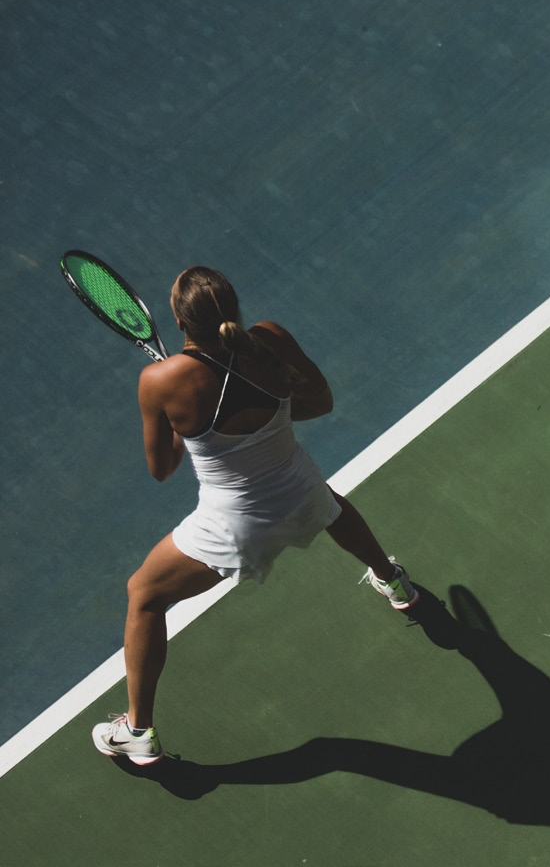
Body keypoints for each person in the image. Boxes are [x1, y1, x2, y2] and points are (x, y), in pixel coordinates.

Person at [91, 266, 417, 766]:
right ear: (233, 308)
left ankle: (137, 731)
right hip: (301, 490)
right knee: (326, 503)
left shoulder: (160, 380)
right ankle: (394, 581)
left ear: (179, 319)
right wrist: (267, 423)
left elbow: (162, 469)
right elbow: (320, 402)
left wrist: (186, 430)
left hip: (234, 529)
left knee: (144, 594)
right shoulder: (269, 338)